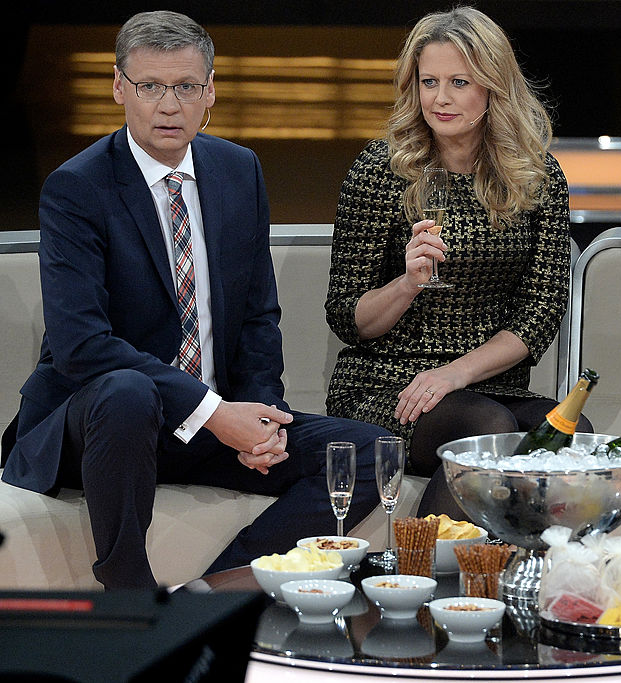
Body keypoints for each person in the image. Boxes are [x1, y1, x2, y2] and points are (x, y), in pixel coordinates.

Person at [0, 10, 389, 589]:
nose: (168, 105)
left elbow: (259, 316)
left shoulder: (238, 170)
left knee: (366, 449)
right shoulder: (77, 188)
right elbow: (82, 346)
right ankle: (127, 591)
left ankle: (210, 594)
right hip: (109, 426)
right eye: (149, 87)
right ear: (118, 88)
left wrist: (261, 417)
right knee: (126, 390)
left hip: (212, 423)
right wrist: (214, 414)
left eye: (185, 87)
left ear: (209, 92)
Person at [325, 6, 588, 517]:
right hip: (388, 386)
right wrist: (406, 284)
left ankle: (525, 582)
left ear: (492, 87)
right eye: (429, 82)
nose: (440, 99)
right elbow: (347, 318)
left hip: (484, 384)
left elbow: (539, 315)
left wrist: (455, 373)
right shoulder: (382, 171)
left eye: (459, 82)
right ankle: (425, 580)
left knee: (572, 435)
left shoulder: (536, 177)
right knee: (486, 431)